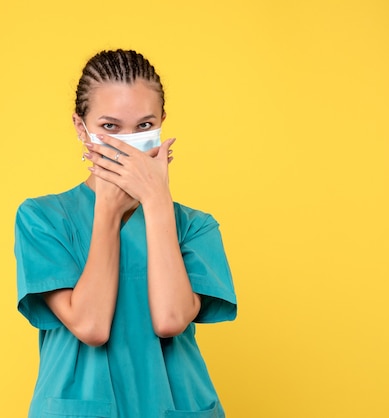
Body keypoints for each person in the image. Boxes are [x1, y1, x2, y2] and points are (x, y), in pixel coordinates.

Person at [14, 49, 237, 418]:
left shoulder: (195, 227)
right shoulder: (43, 218)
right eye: (110, 127)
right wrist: (108, 210)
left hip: (177, 404)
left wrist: (157, 202)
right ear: (80, 127)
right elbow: (91, 325)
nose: (127, 141)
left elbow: (170, 319)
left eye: (145, 126)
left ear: (163, 123)